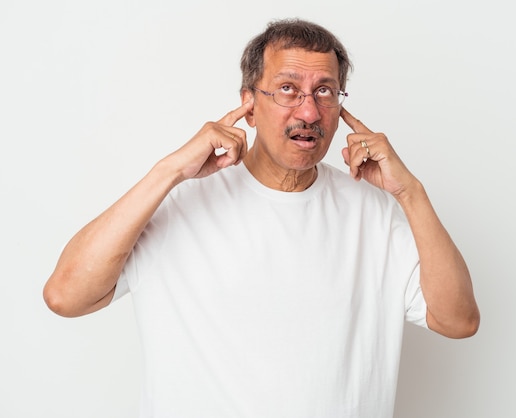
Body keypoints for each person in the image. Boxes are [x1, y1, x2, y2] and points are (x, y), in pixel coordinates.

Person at [44, 18, 479, 418]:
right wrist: (170, 170)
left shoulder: (377, 213)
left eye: (324, 91)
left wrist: (411, 192)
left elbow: (458, 320)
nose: (308, 112)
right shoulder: (176, 203)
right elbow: (66, 295)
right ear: (249, 105)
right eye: (288, 88)